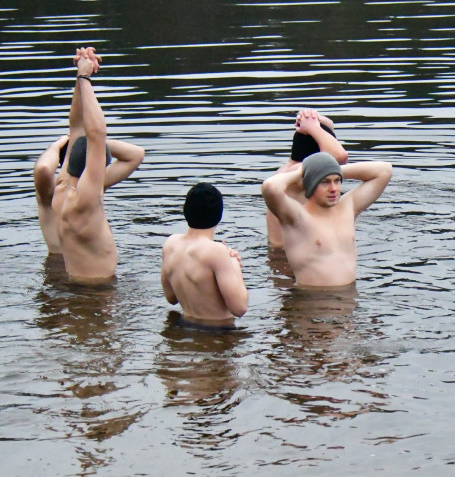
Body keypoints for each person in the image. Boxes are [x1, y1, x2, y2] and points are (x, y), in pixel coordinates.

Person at [261, 151, 392, 287]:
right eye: (325, 182)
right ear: (310, 183)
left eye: (337, 181)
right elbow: (270, 187)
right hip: (310, 301)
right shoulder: (297, 217)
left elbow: (384, 170)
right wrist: (304, 173)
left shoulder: (348, 207)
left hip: (349, 299)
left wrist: (330, 169)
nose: (333, 189)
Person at [54, 47, 126, 283]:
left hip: (77, 289)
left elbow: (76, 126)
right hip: (96, 296)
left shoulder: (64, 188)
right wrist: (85, 78)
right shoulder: (85, 200)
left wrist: (80, 77)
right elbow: (96, 133)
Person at [36, 133, 144, 256]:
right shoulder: (51, 195)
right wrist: (91, 143)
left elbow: (137, 154)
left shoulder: (94, 187)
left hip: (62, 270)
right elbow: (43, 169)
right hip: (61, 271)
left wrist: (85, 143)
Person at [161, 183, 248, 329]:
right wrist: (233, 264)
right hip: (217, 333)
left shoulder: (170, 244)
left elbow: (171, 298)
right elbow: (239, 308)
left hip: (183, 327)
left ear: (186, 211)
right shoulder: (217, 252)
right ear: (219, 214)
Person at [265, 109, 349, 251]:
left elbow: (330, 124)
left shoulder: (287, 169)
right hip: (287, 258)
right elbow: (340, 156)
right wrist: (314, 127)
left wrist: (310, 119)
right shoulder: (299, 173)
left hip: (282, 253)